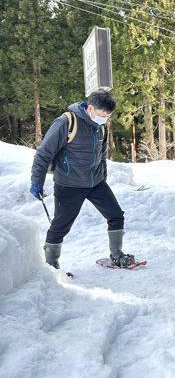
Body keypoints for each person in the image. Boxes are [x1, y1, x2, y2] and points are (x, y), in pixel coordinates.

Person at [30, 88, 135, 269]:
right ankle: (51, 267)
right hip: (69, 184)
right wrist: (36, 181)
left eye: (108, 116)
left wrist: (103, 177)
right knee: (60, 227)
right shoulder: (66, 122)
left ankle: (117, 255)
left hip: (96, 182)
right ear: (90, 108)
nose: (105, 118)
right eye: (103, 114)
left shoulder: (101, 126)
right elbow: (44, 154)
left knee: (116, 216)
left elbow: (102, 155)